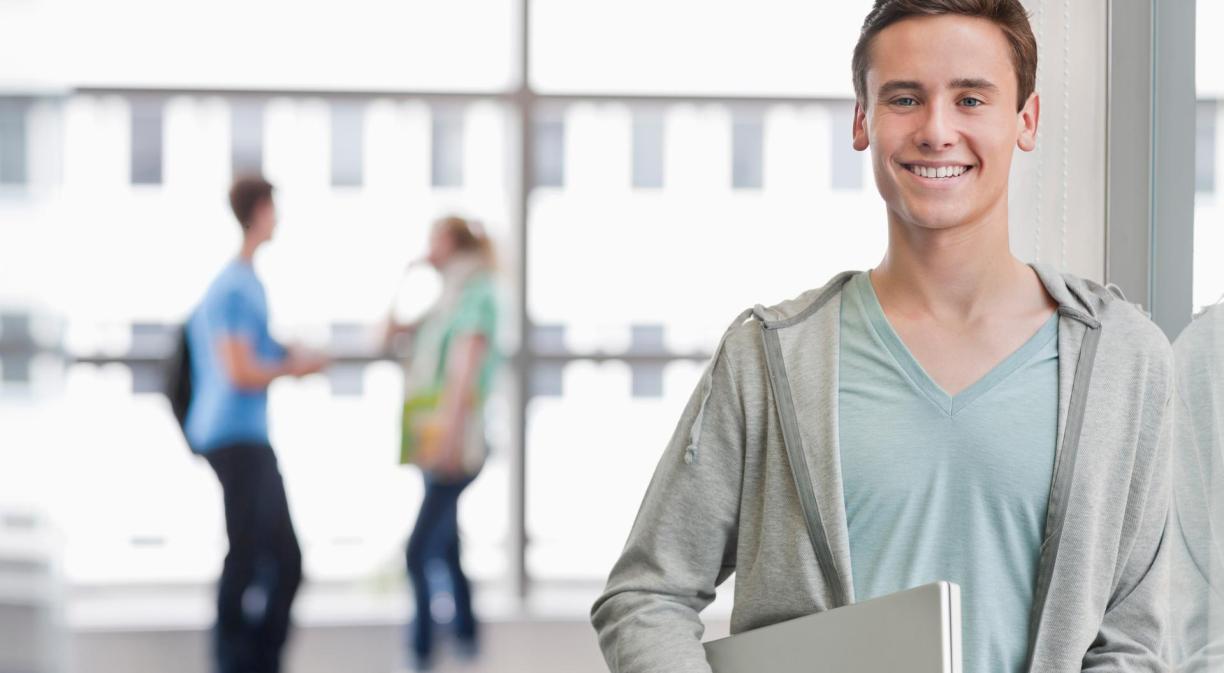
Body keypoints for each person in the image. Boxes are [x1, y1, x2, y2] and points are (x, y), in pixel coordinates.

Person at [590, 2, 1174, 672]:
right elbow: (646, 593)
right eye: (905, 98)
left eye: (971, 98)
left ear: (1026, 121)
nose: (936, 129)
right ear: (862, 120)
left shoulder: (1126, 360)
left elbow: (1132, 636)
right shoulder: (770, 355)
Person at [185, 175, 327, 673]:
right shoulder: (233, 285)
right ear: (261, 210)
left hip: (244, 435)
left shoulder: (244, 282)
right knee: (260, 556)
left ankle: (252, 661)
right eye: (275, 208)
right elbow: (240, 370)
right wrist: (295, 368)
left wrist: (287, 353)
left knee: (268, 556)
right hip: (234, 435)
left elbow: (253, 352)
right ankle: (237, 662)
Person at [385, 215, 501, 671]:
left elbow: (463, 374)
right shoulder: (445, 297)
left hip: (456, 444)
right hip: (435, 437)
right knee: (447, 546)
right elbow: (387, 334)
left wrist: (449, 444)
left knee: (419, 551)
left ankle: (421, 653)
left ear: (450, 242)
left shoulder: (477, 295)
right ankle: (468, 644)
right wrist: (406, 276)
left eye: (433, 238)